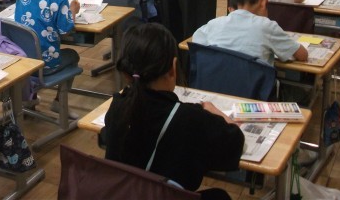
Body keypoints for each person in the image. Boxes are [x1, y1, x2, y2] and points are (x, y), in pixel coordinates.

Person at [99, 23, 243, 200]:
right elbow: (235, 143)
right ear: (173, 68)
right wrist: (215, 112)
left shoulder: (117, 106)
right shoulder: (190, 118)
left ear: (127, 72)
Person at [15, 0, 81, 114]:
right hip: (45, 65)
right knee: (73, 55)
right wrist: (73, 11)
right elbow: (66, 30)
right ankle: (59, 102)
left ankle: (30, 99)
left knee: (35, 44)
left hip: (24, 60)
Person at [193, 0, 308, 66]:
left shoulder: (214, 24)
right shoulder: (267, 26)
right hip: (253, 88)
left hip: (213, 85)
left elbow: (196, 41)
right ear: (264, 2)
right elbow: (302, 55)